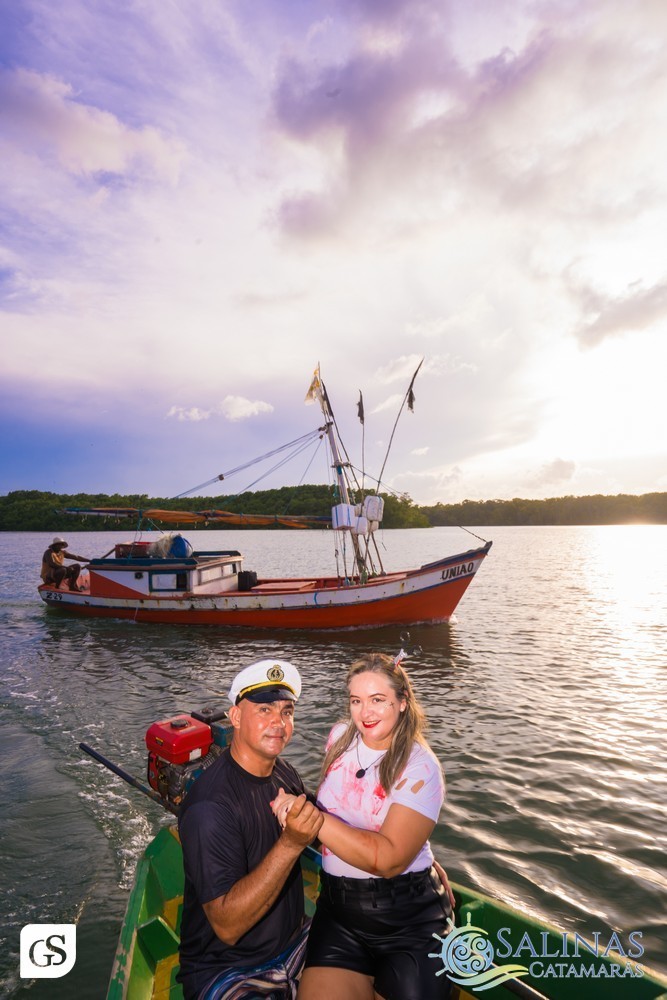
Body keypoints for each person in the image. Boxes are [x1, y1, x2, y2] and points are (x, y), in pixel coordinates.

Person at [272, 653, 453, 1000]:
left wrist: (310, 819)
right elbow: (342, 807)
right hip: (340, 913)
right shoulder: (341, 737)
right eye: (356, 700)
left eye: (378, 700)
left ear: (402, 703)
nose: (364, 713)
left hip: (407, 921)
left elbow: (388, 860)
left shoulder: (420, 767)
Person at [177, 659, 323, 1000]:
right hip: (229, 968)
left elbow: (328, 818)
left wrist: (415, 856)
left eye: (287, 712)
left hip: (295, 943)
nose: (278, 722)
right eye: (264, 709)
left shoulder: (284, 772)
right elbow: (227, 927)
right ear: (236, 717)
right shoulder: (209, 808)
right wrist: (290, 844)